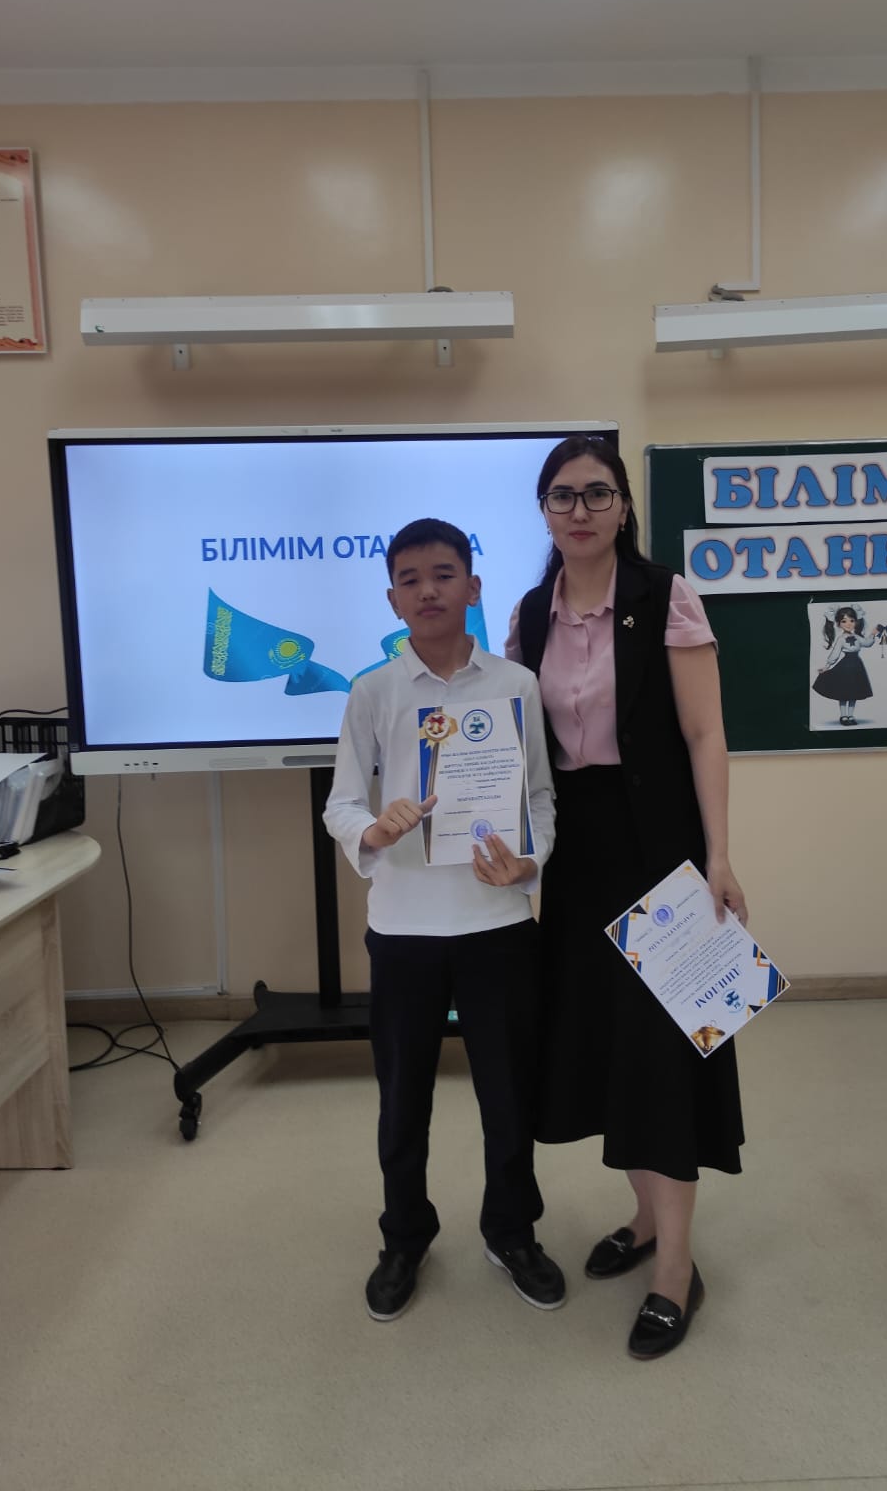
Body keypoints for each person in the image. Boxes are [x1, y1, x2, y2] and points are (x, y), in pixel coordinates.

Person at [506, 437, 747, 1360]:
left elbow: (704, 732)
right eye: (562, 495)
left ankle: (676, 1269)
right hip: (575, 859)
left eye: (596, 493)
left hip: (659, 853)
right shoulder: (529, 615)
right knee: (607, 1048)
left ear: (622, 506)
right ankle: (645, 1221)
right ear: (543, 509)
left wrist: (717, 856)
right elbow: (517, 749)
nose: (580, 510)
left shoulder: (664, 595)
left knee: (663, 1057)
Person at [324, 517, 565, 1323]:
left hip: (496, 921)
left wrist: (530, 860)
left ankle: (511, 1230)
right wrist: (373, 829)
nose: (427, 590)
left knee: (508, 1093)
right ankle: (404, 1238)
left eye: (442, 574)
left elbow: (539, 797)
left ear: (473, 586)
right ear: (392, 599)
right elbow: (340, 803)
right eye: (409, 579)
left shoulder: (515, 685)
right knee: (403, 1100)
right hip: (404, 928)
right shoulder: (372, 692)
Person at [812, 604, 877, 726]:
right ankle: (843, 716)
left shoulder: (857, 637)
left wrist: (873, 634)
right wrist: (827, 666)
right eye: (844, 621)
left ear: (856, 622)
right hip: (844, 667)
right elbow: (835, 654)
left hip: (857, 667)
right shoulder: (841, 639)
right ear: (838, 624)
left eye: (851, 620)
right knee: (843, 692)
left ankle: (851, 716)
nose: (848, 624)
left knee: (854, 692)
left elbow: (867, 643)